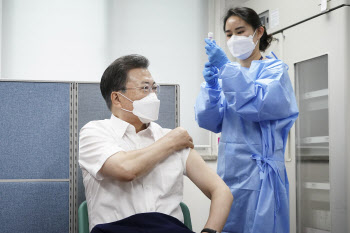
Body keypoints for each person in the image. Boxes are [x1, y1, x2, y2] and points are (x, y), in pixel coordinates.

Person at [79, 54, 233, 233]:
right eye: (144, 88)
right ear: (117, 98)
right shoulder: (95, 132)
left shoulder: (174, 138)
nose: (153, 95)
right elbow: (126, 169)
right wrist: (170, 142)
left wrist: (209, 232)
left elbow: (221, 191)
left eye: (154, 88)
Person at [195, 7, 299, 233]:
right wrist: (212, 87)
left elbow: (258, 105)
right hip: (230, 173)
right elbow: (209, 121)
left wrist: (225, 68)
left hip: (262, 178)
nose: (233, 39)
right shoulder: (227, 74)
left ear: (259, 32)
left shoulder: (275, 71)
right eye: (229, 34)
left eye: (240, 31)